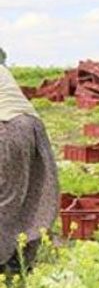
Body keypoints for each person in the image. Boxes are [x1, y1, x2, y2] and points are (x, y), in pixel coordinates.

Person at [0, 65, 58, 272]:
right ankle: (20, 259)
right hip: (31, 126)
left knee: (4, 199)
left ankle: (5, 260)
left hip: (6, 127)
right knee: (32, 195)